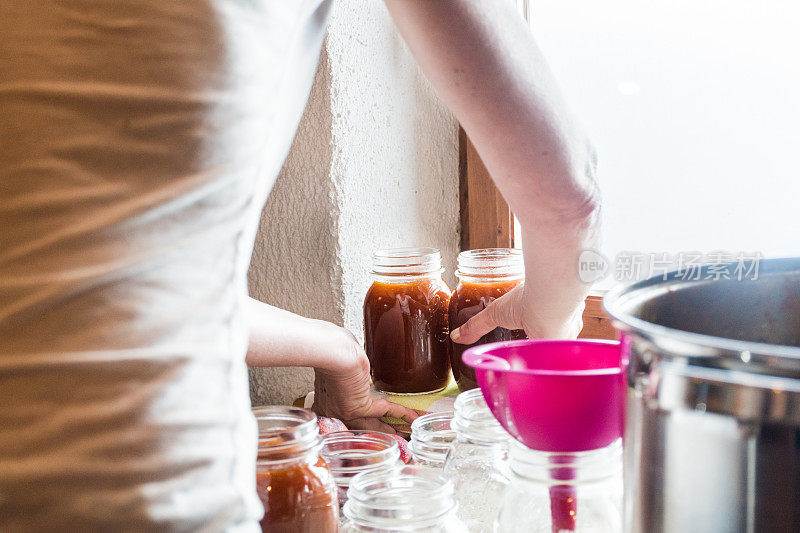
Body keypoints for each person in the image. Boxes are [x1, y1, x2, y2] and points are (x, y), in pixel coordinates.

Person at [0, 0, 599, 530]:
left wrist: (338, 349)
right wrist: (553, 326)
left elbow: (118, 289)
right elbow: (570, 197)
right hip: (140, 493)